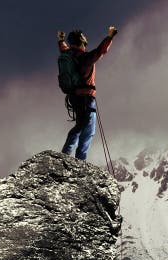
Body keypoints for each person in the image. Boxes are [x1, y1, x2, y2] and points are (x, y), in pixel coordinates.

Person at [57, 26, 118, 160]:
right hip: (86, 98)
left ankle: (70, 156)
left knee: (81, 124)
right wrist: (110, 36)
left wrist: (61, 40)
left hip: (74, 96)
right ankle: (75, 158)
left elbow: (63, 48)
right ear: (82, 42)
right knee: (87, 129)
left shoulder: (68, 55)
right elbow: (101, 51)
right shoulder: (86, 58)